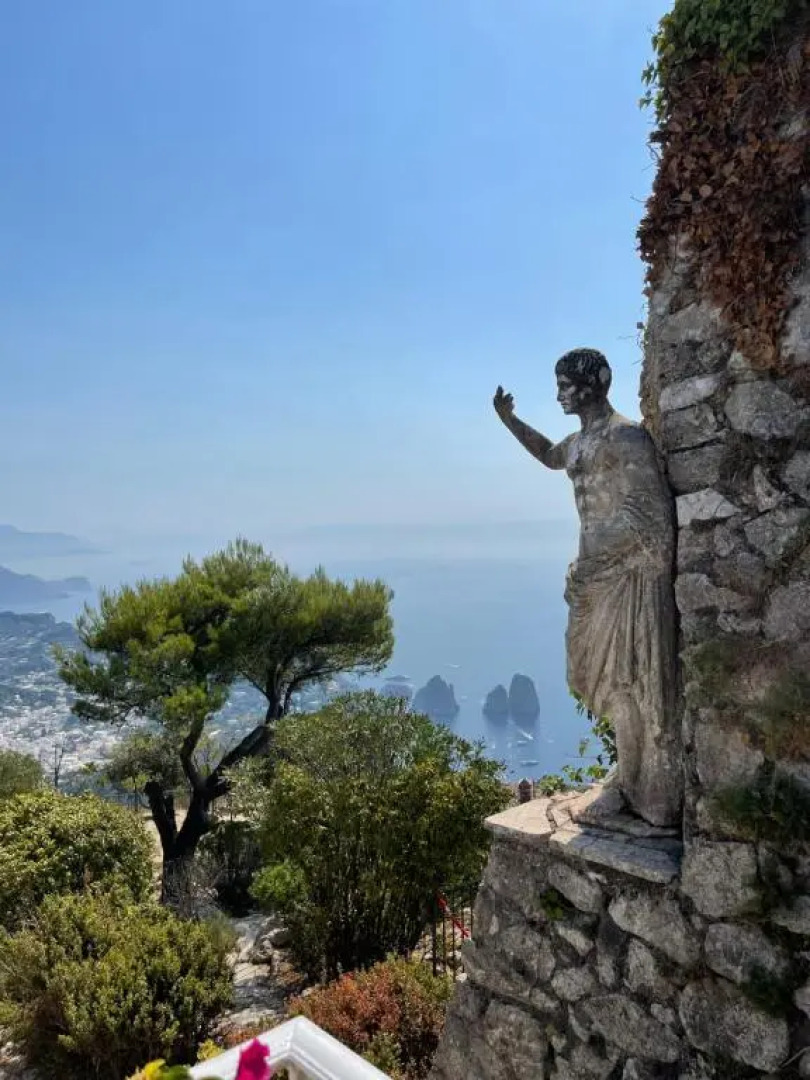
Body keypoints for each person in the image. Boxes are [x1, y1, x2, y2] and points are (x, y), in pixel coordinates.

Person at [493, 348, 681, 827]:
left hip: (626, 576)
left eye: (566, 385)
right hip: (592, 577)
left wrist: (596, 561)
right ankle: (629, 776)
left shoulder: (626, 438)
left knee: (628, 676)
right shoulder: (579, 443)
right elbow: (547, 455)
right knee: (589, 672)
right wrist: (509, 421)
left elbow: (650, 519)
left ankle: (641, 785)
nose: (559, 395)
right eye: (558, 385)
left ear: (595, 382)